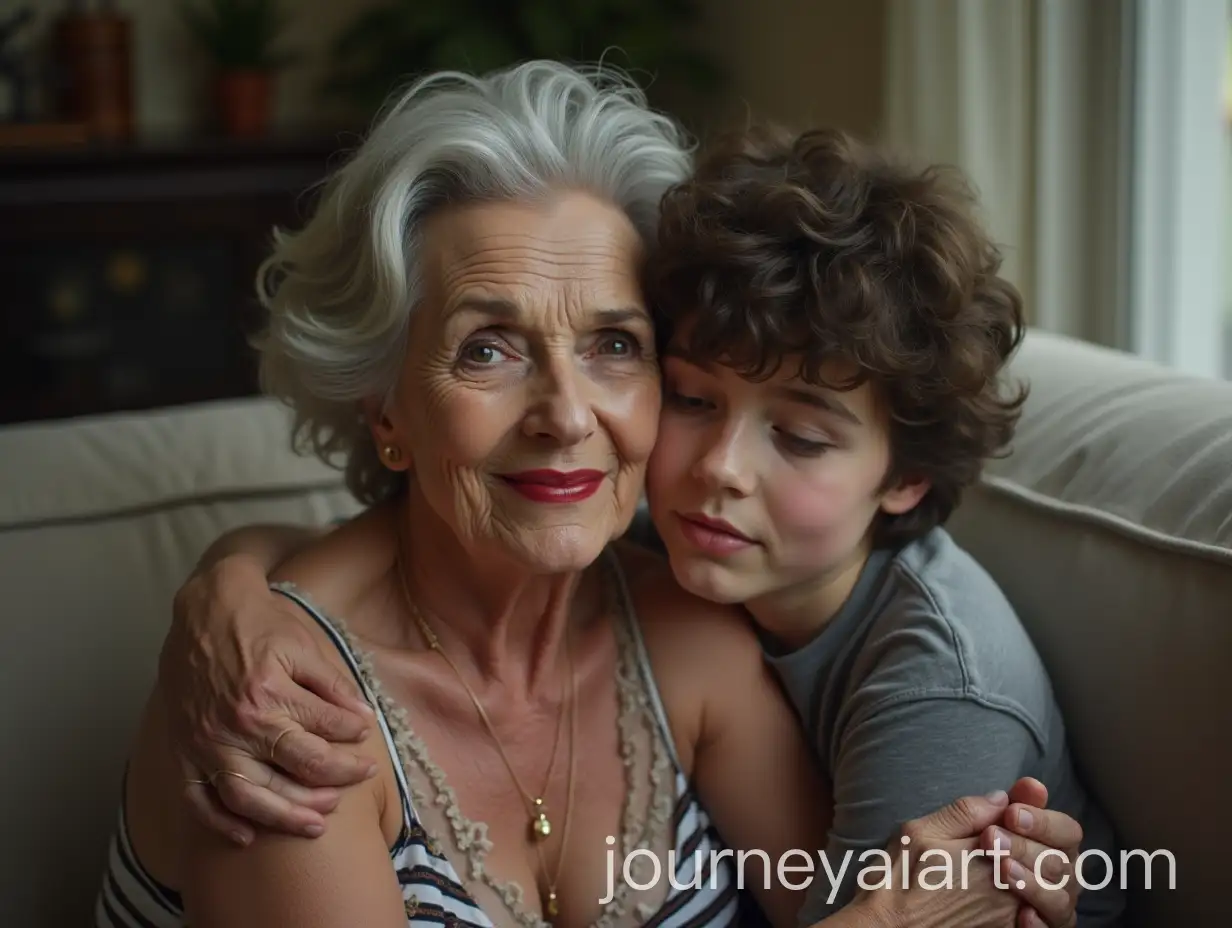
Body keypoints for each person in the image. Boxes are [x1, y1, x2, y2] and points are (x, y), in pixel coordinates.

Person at [99, 61, 1084, 928]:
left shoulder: (685, 624)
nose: (566, 415)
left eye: (613, 345)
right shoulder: (274, 708)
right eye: (488, 348)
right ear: (384, 408)